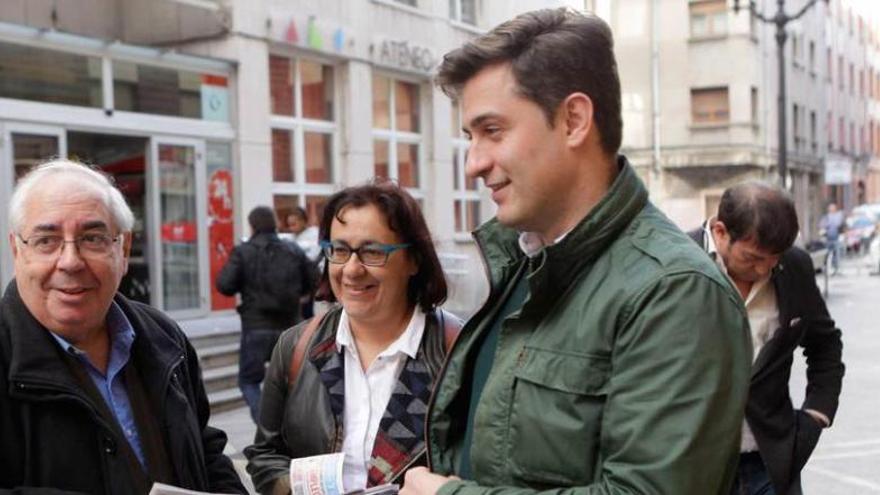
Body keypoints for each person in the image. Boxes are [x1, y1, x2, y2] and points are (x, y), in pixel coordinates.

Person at [400, 8, 753, 495]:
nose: (474, 164)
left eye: (492, 131)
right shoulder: (524, 266)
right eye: (469, 136)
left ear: (573, 120)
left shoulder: (675, 293)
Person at [0, 159, 245, 494]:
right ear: (17, 251)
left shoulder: (163, 336)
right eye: (47, 240)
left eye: (93, 238)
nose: (70, 261)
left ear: (124, 249)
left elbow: (203, 450)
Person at [245, 182, 460, 495]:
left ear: (413, 260)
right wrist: (304, 488)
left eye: (372, 252)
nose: (351, 270)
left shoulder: (460, 352)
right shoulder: (296, 347)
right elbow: (264, 456)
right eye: (340, 250)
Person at [689, 182, 845, 495]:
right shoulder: (675, 261)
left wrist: (817, 414)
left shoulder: (794, 265)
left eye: (774, 258)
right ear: (720, 232)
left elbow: (825, 345)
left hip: (771, 465)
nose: (764, 268)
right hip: (693, 467)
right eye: (753, 257)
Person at [217, 206, 318, 422]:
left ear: (252, 225)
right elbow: (315, 279)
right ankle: (288, 426)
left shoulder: (244, 251)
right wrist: (299, 294)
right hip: (291, 326)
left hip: (256, 326)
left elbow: (225, 285)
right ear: (275, 223)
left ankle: (267, 424)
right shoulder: (292, 249)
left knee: (249, 381)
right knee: (292, 381)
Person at [284, 206, 321, 319]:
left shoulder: (314, 235)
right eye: (289, 225)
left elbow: (312, 258)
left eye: (294, 224)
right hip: (296, 285)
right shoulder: (291, 238)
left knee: (307, 317)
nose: (291, 228)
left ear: (303, 221)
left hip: (309, 284)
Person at [819, 203, 845, 272]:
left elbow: (838, 223)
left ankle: (835, 268)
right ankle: (826, 267)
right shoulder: (826, 217)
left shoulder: (838, 216)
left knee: (836, 253)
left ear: (835, 209)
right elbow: (822, 225)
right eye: (830, 208)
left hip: (836, 237)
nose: (832, 210)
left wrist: (829, 224)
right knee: (827, 253)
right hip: (828, 238)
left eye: (833, 208)